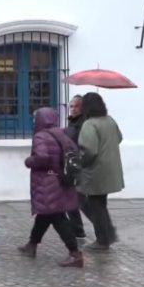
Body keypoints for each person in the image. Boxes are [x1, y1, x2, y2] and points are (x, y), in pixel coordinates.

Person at [17, 108, 84, 268]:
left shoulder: (41, 136)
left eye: (35, 118)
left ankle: (75, 253)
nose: (34, 121)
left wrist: (29, 161)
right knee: (46, 214)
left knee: (57, 217)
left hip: (47, 182)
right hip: (61, 179)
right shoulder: (62, 133)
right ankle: (32, 245)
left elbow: (42, 158)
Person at [78, 92, 125, 251]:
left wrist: (80, 163)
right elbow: (119, 138)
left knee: (93, 204)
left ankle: (103, 239)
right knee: (100, 204)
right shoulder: (110, 120)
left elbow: (89, 150)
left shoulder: (90, 124)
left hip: (96, 171)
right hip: (111, 169)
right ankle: (107, 234)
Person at [64, 95, 87, 239]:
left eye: (76, 106)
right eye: (71, 106)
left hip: (80, 166)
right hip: (72, 164)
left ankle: (101, 229)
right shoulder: (72, 122)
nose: (72, 109)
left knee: (80, 201)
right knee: (72, 199)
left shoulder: (84, 123)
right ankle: (78, 230)